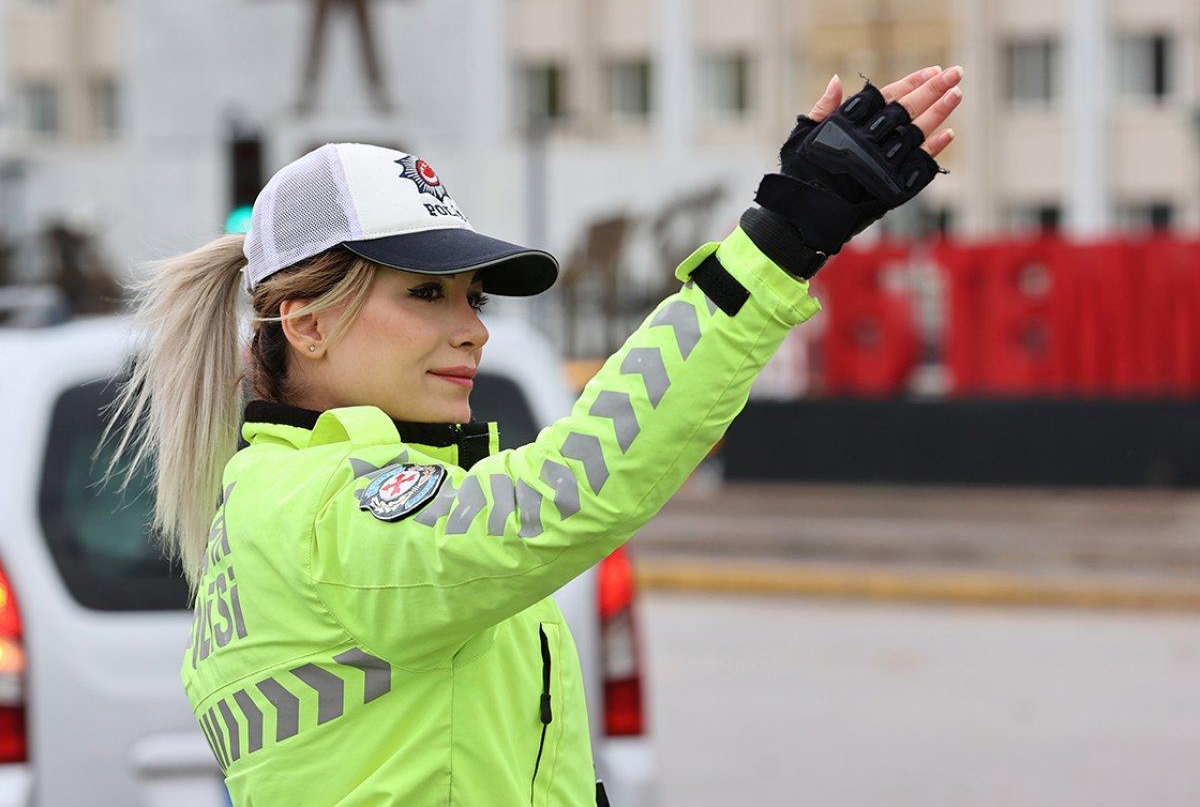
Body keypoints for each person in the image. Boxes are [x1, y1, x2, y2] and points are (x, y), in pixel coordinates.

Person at [101, 65, 962, 806]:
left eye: (473, 296)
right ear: (306, 323)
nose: (474, 329)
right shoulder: (321, 507)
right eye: (426, 294)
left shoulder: (281, 496)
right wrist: (778, 243)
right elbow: (577, 484)